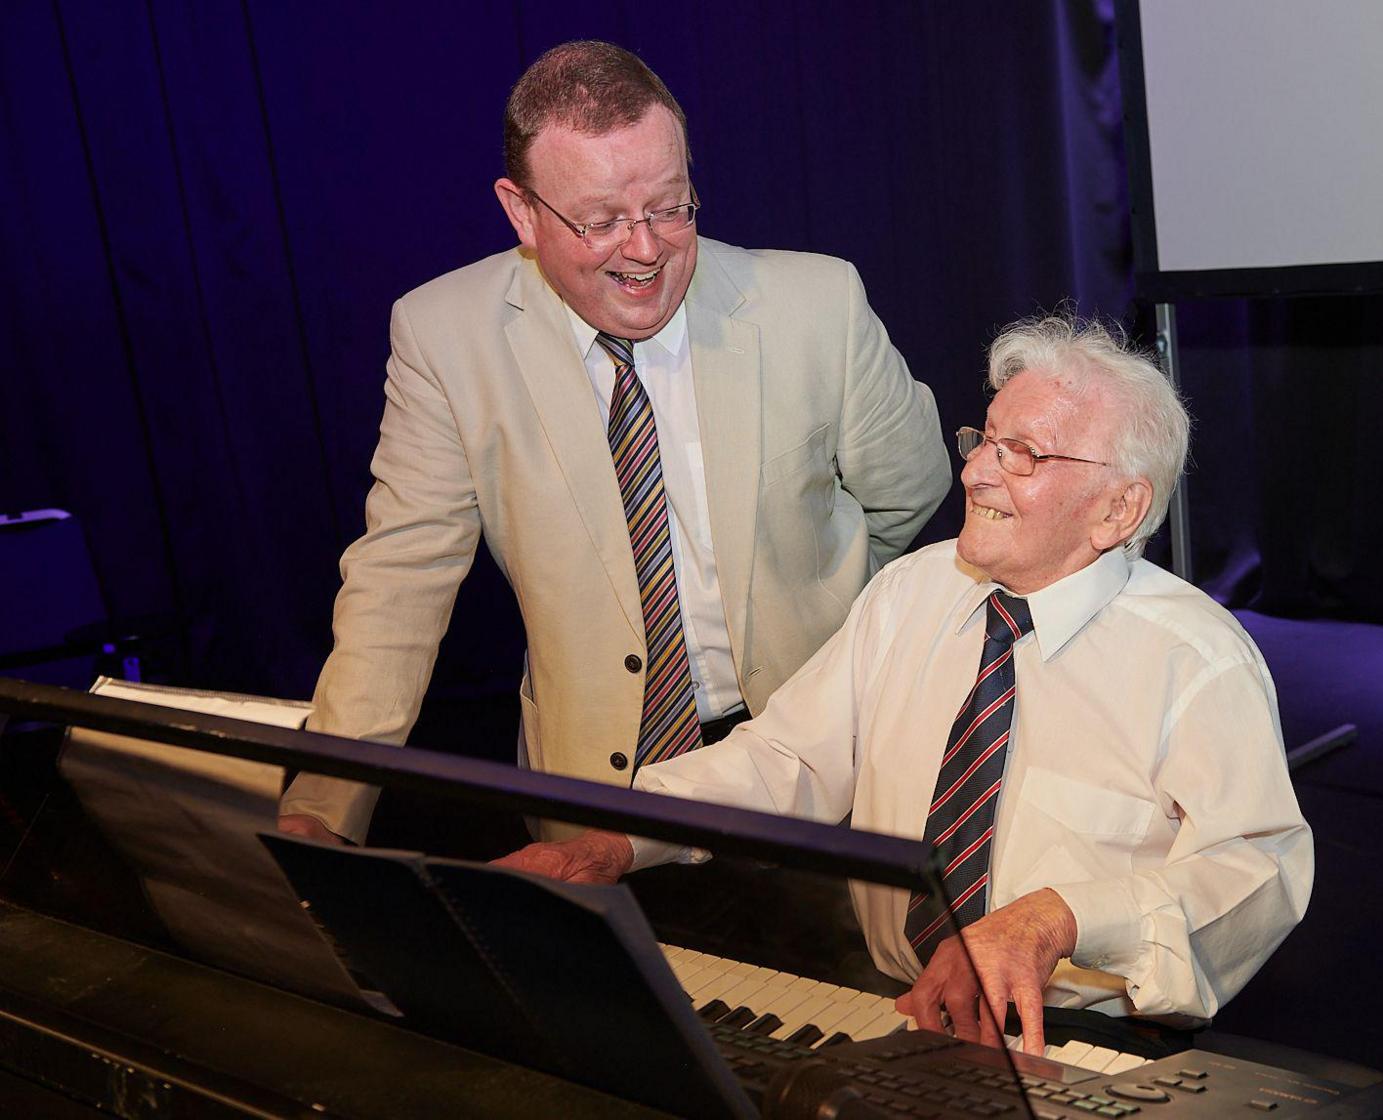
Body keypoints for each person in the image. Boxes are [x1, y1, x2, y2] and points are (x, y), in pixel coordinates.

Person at [497, 313, 1313, 1054]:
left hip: (1084, 1039)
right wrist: (616, 836)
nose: (979, 474)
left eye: (1023, 455)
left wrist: (1060, 917)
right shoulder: (912, 593)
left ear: (1118, 510)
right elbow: (788, 761)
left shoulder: (1196, 661)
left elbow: (1257, 873)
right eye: (985, 441)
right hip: (894, 1004)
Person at [278, 41, 948, 845]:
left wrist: (830, 610)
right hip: (594, 797)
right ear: (521, 212)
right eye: (599, 222)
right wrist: (323, 807)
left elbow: (912, 488)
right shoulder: (445, 337)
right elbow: (399, 585)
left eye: (671, 207)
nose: (644, 248)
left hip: (817, 778)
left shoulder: (817, 304)